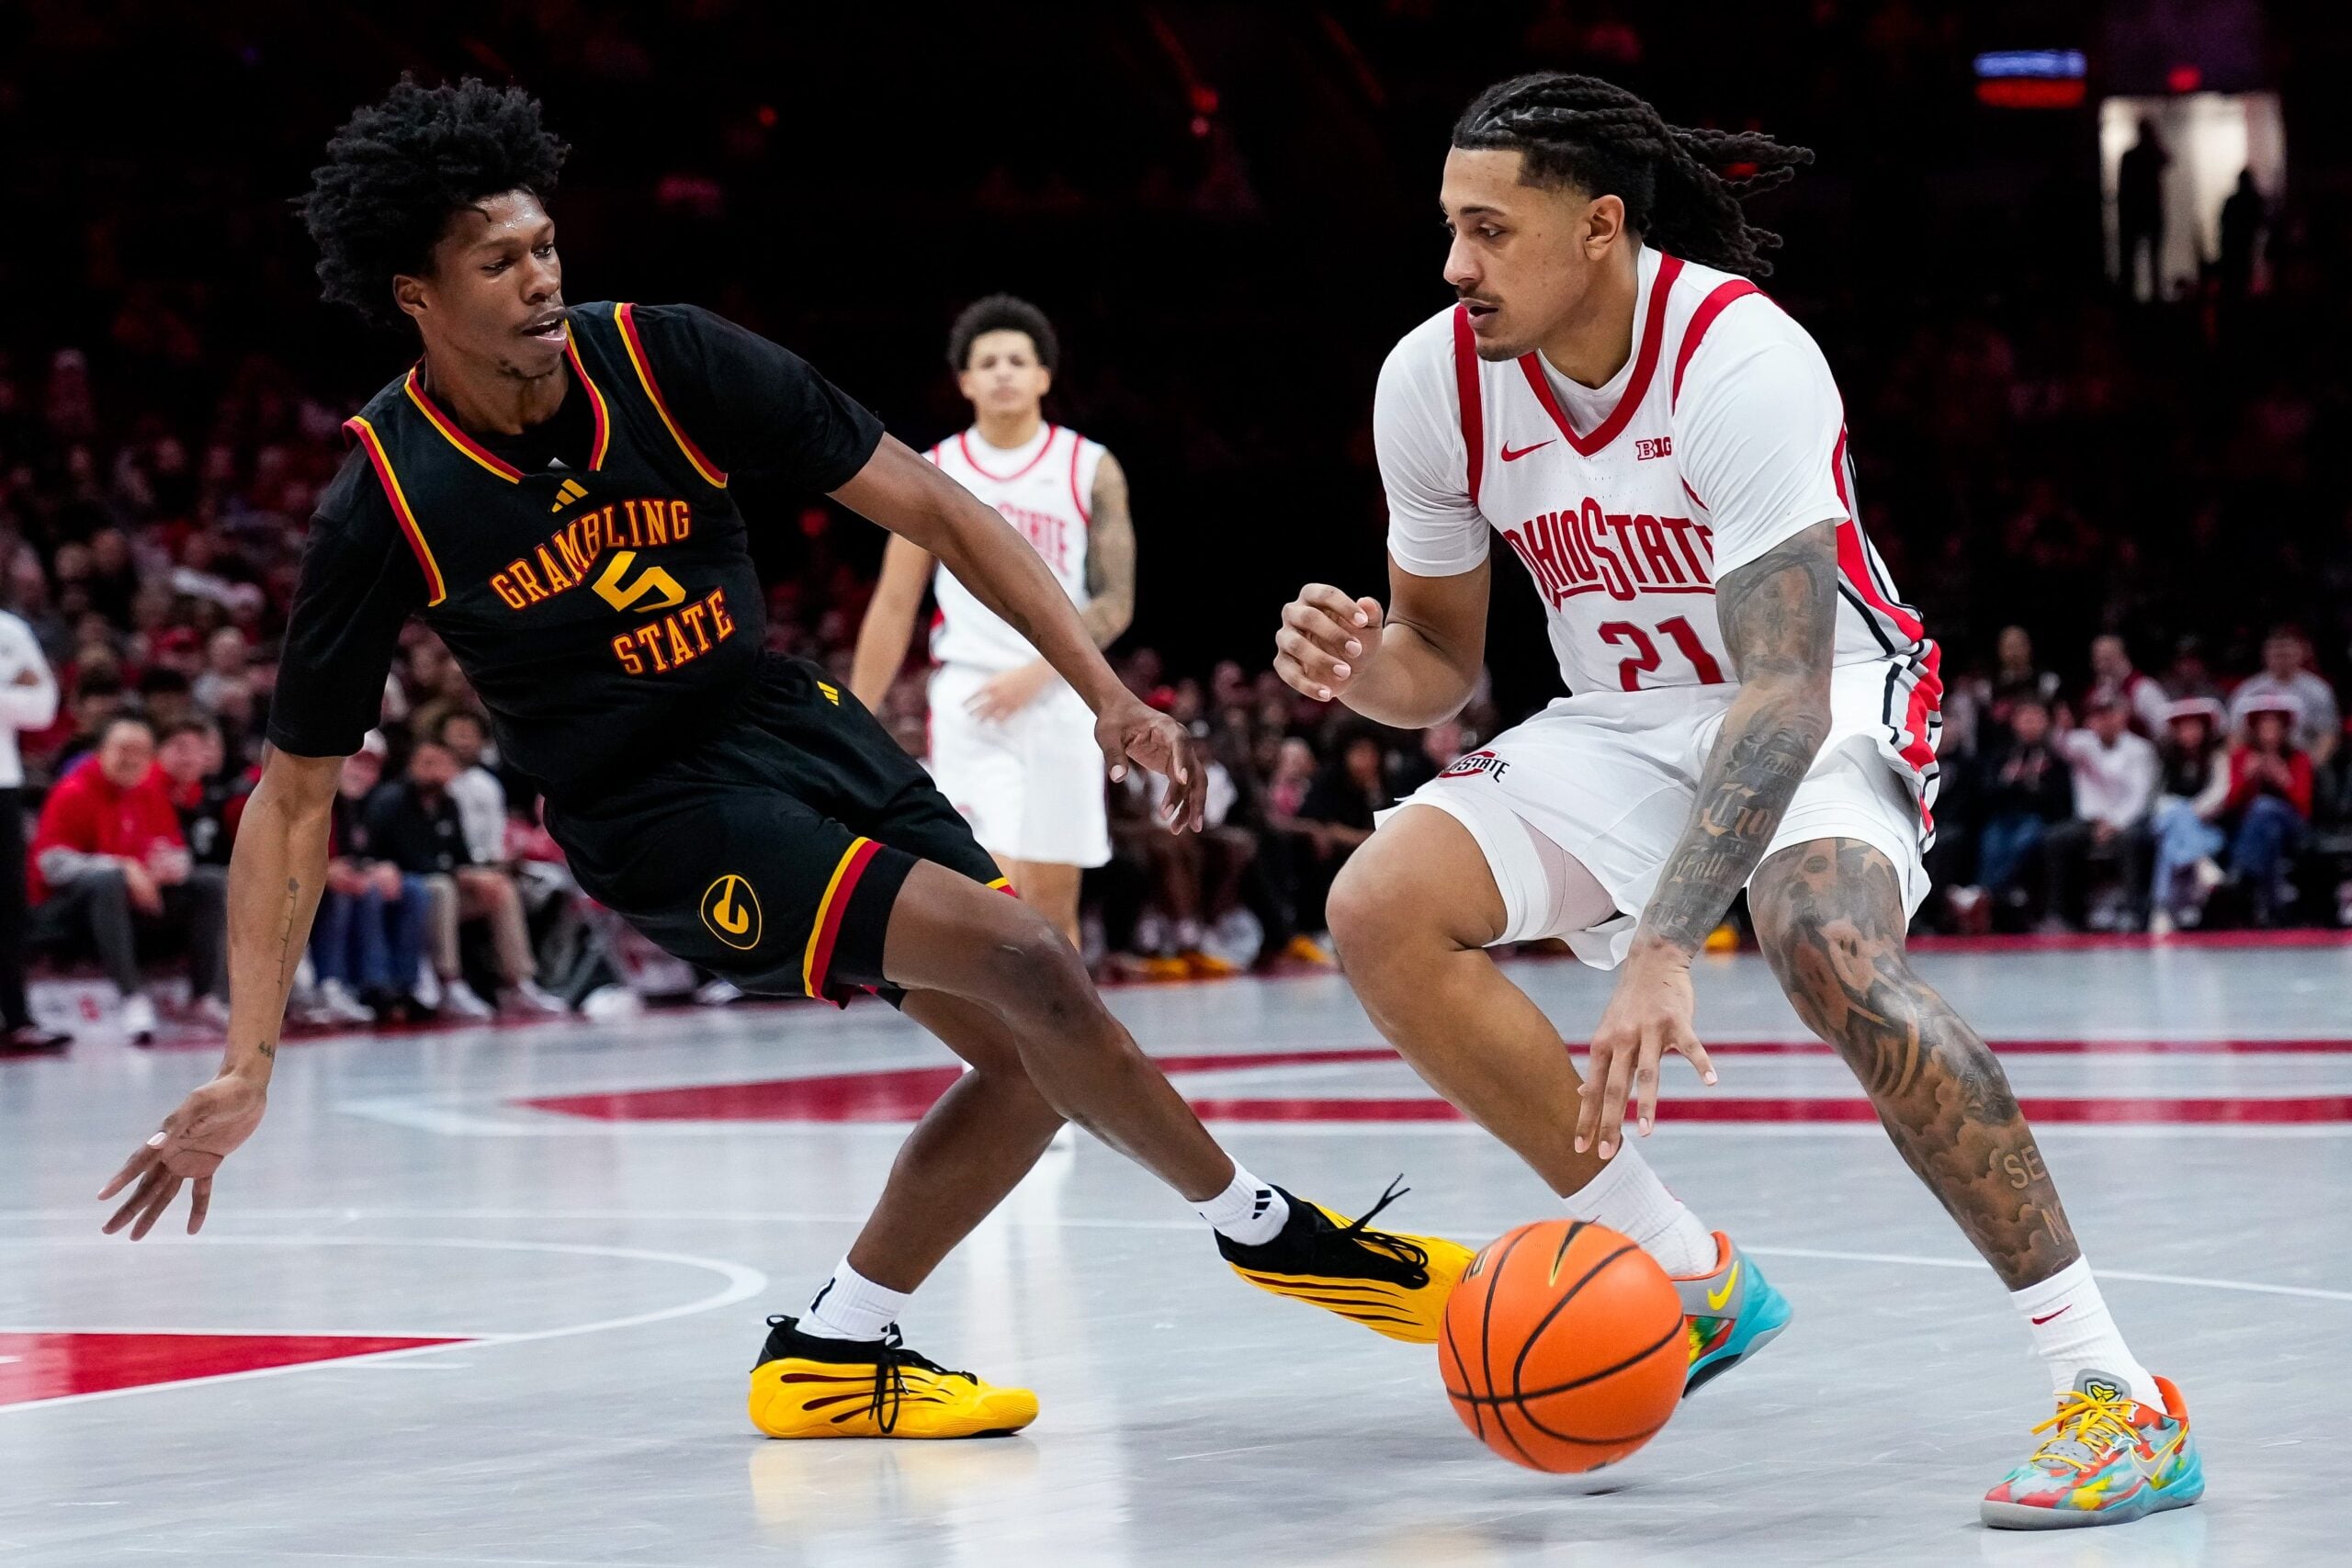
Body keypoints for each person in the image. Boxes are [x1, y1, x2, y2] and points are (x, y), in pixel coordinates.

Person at [100, 78, 1464, 1444]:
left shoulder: (663, 358)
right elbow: (295, 796)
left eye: (546, 247)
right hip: (652, 805)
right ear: (417, 293)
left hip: (788, 721)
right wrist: (249, 1059)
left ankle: (832, 1344)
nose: (540, 280)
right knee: (1032, 959)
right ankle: (1271, 1230)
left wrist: (1104, 691)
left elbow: (933, 503)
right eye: (499, 261)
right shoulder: (387, 491)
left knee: (1033, 1062)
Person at [1272, 73, 2198, 1529]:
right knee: (1380, 907)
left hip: (1821, 686)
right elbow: (1440, 665)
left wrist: (1662, 944)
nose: (1456, 265)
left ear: (1599, 228)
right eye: (1449, 229)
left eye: (1487, 230)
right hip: (1619, 715)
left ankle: (2118, 1393)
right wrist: (1356, 669)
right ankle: (1685, 1272)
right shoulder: (1430, 380)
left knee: (1824, 944)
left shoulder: (1738, 355)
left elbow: (1780, 695)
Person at [849, 295, 1134, 953]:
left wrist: (1038, 672)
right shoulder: (934, 471)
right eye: (988, 361)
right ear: (966, 381)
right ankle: (1003, 1057)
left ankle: (1064, 1055)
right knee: (993, 893)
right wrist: (855, 716)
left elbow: (1116, 602)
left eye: (1017, 359)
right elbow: (894, 603)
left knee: (1052, 905)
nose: (1003, 371)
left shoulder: (1089, 466)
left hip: (1064, 696)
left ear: (1043, 376)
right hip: (972, 700)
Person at [29, 715, 230, 1043]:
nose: (133, 759)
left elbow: (177, 851)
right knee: (108, 881)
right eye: (124, 749)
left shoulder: (148, 793)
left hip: (133, 909)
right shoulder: (73, 791)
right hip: (67, 915)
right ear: (101, 751)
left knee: (209, 883)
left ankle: (203, 997)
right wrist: (123, 867)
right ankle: (132, 998)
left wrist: (169, 866)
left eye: (142, 751)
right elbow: (51, 864)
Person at [364, 737, 560, 1019]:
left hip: (444, 889)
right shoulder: (393, 801)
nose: (434, 771)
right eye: (427, 763)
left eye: (442, 764)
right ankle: (449, 982)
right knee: (442, 887)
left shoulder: (449, 804)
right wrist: (463, 874)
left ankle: (518, 983)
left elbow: (461, 856)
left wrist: (479, 873)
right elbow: (409, 860)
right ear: (411, 766)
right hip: (403, 891)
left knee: (500, 888)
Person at [0, 604, 71, 1050]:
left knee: (8, 905)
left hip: (2, 782)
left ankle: (18, 1016)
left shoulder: (9, 631)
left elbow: (42, 708)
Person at [2047, 694, 2159, 931]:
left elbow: (2140, 796)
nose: (2105, 721)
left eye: (2110, 714)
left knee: (2132, 841)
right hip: (2090, 821)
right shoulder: (2082, 743)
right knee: (2056, 839)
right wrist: (2062, 727)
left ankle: (2133, 913)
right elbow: (2060, 745)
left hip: (2127, 821)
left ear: (2123, 716)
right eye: (2098, 716)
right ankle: (2062, 915)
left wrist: (2115, 823)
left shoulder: (2140, 749)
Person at [2220, 697, 2312, 926]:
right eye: (2264, 727)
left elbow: (2304, 807)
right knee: (2268, 832)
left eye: (2275, 727)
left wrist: (2284, 780)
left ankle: (2241, 871)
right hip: (2250, 830)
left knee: (2265, 807)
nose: (2269, 733)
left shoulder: (2299, 758)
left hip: (2293, 826)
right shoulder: (2241, 757)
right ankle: (2272, 907)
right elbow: (2231, 803)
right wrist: (2247, 778)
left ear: (2284, 731)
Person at [2147, 698, 2230, 934]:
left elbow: (2220, 794)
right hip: (2167, 823)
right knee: (2172, 816)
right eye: (2184, 728)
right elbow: (2156, 800)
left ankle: (2162, 910)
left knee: (2170, 844)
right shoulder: (2165, 761)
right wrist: (2180, 813)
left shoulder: (2217, 758)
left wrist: (2187, 814)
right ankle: (2200, 862)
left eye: (2194, 727)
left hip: (2207, 829)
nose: (2189, 733)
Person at [2227, 626, 2339, 768]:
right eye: (2277, 653)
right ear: (2265, 654)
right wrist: (2244, 765)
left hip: (2303, 760)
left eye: (2287, 653)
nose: (2282, 659)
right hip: (2257, 763)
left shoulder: (2318, 690)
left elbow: (2328, 735)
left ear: (2300, 653)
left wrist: (2309, 766)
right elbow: (2235, 734)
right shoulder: (2247, 690)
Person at [2118, 118, 2168, 301]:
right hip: (2148, 212)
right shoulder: (2149, 155)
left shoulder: (2131, 156)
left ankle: (2132, 295)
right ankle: (2152, 294)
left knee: (2138, 257)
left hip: (2136, 213)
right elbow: (2166, 160)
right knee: (2152, 257)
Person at [2085, 633, 2169, 739]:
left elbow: (2163, 729)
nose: (2101, 666)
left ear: (2121, 657)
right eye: (2097, 660)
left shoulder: (2144, 688)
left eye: (2106, 659)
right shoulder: (2096, 693)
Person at [2218, 168, 2266, 301]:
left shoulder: (2232, 202)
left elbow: (2223, 224)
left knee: (2234, 282)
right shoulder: (2253, 201)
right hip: (2243, 246)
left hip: (2233, 247)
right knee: (2241, 280)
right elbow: (2261, 222)